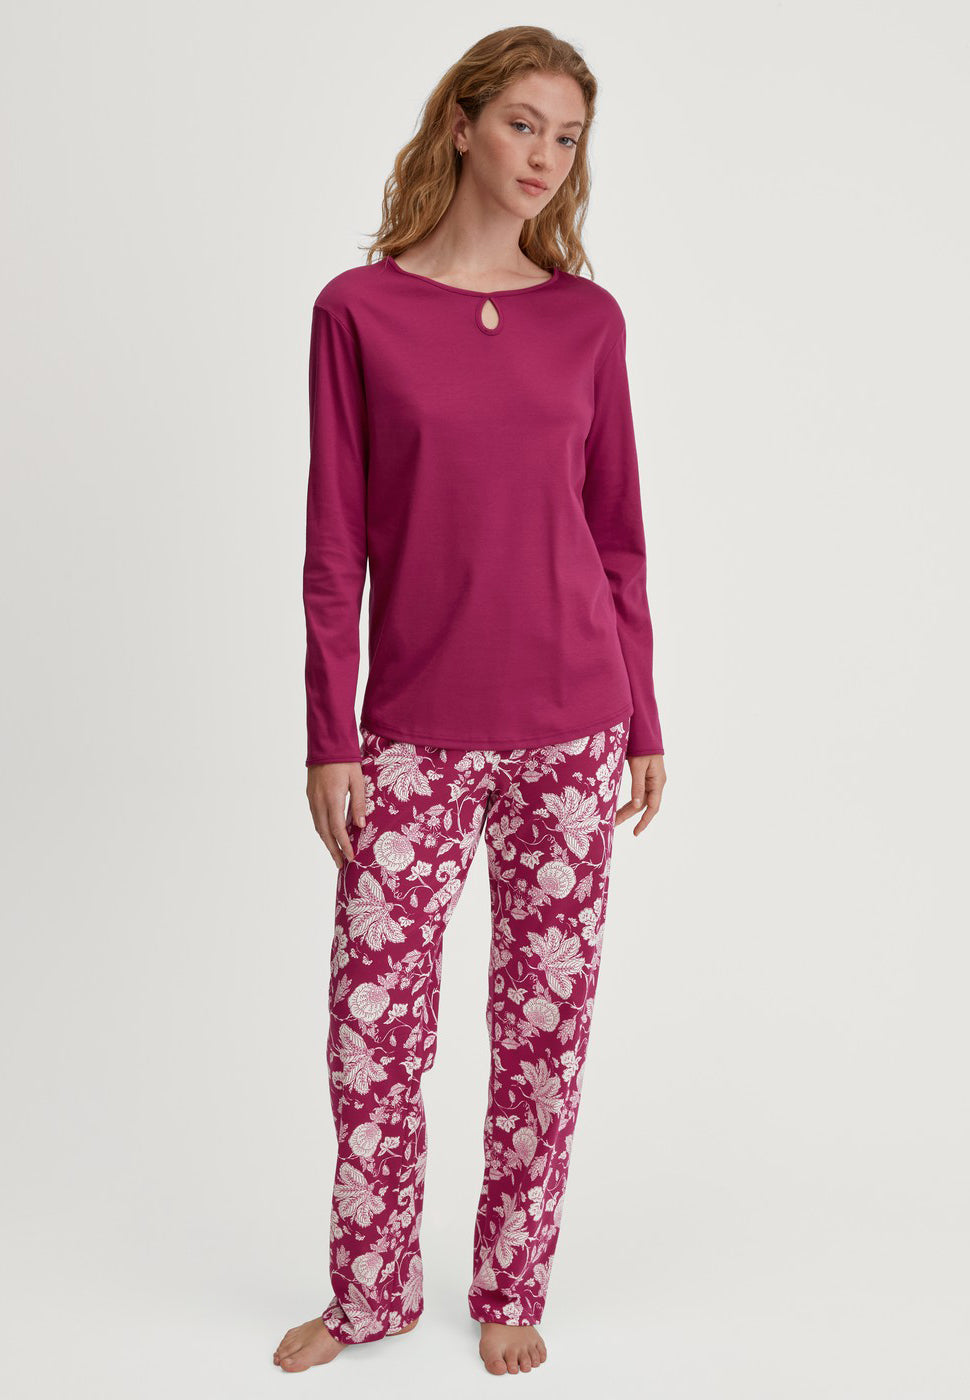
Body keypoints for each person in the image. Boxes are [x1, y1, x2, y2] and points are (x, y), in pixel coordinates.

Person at [274, 24, 667, 1378]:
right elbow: (334, 546)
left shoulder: (587, 321)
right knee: (372, 1033)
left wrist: (645, 715)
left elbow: (616, 536)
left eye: (567, 137)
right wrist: (329, 734)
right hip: (413, 736)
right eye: (523, 124)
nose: (545, 156)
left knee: (542, 1033)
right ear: (461, 123)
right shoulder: (358, 312)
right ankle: (370, 1292)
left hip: (575, 726)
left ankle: (512, 1281)